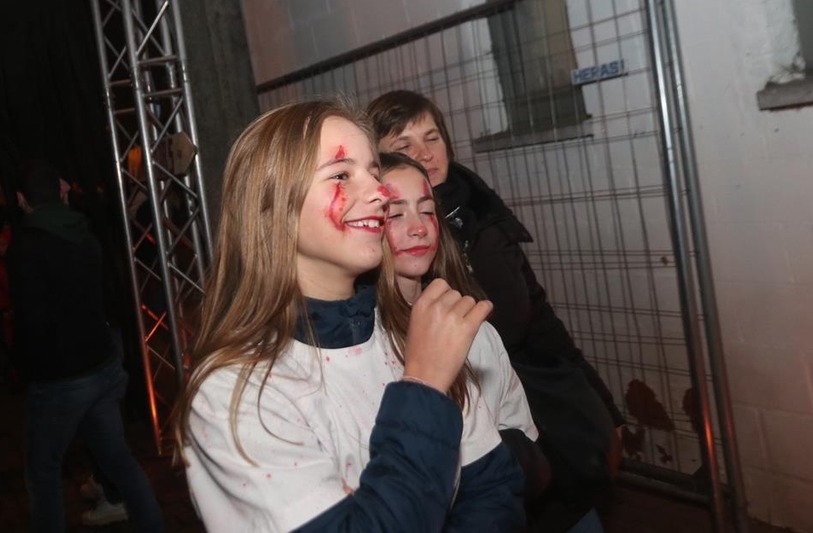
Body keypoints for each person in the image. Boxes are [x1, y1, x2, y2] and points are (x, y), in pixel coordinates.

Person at [173, 100, 522, 532]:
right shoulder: (236, 391)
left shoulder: (411, 335)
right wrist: (425, 386)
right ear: (272, 207)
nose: (380, 193)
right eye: (341, 175)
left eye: (374, 173)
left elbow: (493, 490)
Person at [367, 90, 625, 532]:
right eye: (404, 144)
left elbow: (541, 318)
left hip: (537, 424)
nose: (424, 153)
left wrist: (602, 407)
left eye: (432, 137)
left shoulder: (483, 216)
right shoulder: (373, 318)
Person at [377, 152, 552, 502]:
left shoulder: (475, 329)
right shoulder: (362, 346)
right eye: (394, 214)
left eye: (428, 211)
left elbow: (519, 431)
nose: (419, 227)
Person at [7, 159, 163, 533]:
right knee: (118, 459)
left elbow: (31, 323)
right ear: (59, 192)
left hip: (62, 377)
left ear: (22, 200)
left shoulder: (25, 248)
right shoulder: (83, 233)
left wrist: (25, 370)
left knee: (43, 472)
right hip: (102, 364)